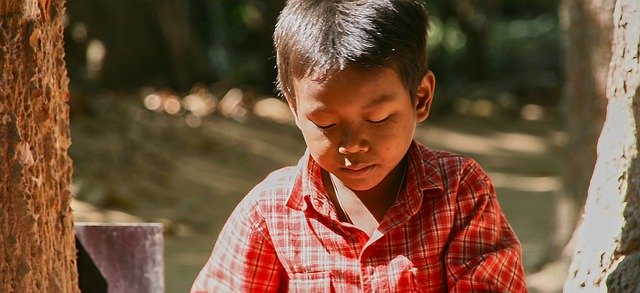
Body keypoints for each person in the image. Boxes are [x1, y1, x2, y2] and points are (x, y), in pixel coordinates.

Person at [192, 0, 527, 292]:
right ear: (295, 109)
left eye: (378, 118)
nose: (352, 145)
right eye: (325, 124)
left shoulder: (459, 193)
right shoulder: (270, 212)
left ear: (421, 98)